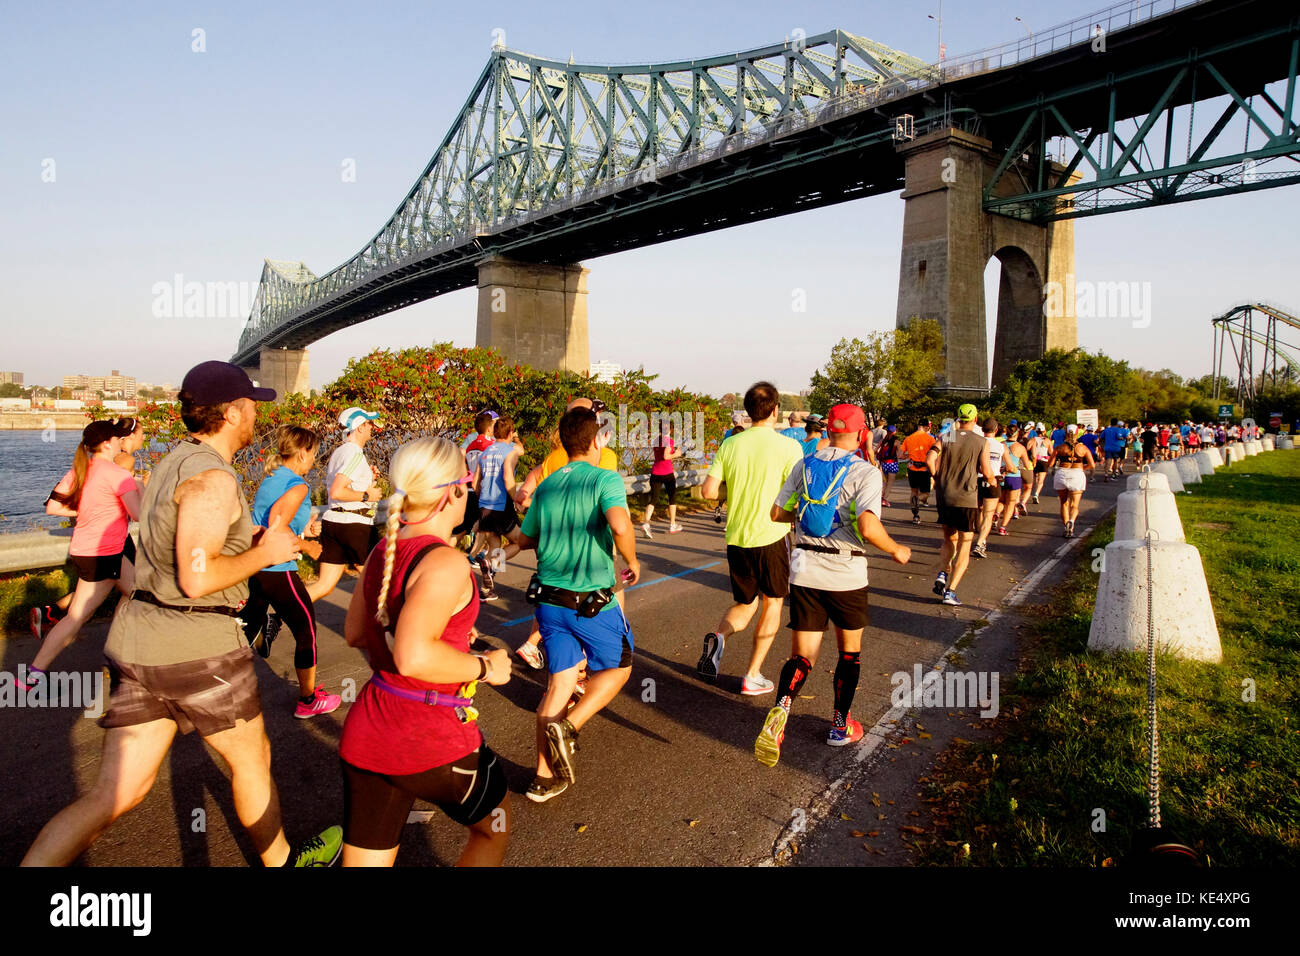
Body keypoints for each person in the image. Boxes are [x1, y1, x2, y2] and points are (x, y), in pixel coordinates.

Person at [22, 361, 341, 867]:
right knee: (252, 761)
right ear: (233, 411)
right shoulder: (211, 476)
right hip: (197, 649)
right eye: (252, 404)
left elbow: (186, 542)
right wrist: (265, 552)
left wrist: (248, 540)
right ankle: (285, 864)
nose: (257, 413)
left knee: (115, 794)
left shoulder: (174, 461)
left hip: (142, 643)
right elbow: (196, 577)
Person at [338, 436, 512, 865]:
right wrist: (486, 667)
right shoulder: (447, 562)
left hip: (369, 731)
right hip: (430, 736)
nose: (470, 490)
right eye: (468, 481)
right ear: (453, 490)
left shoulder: (384, 549)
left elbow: (357, 633)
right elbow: (413, 656)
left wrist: (449, 638)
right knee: (494, 828)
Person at [755, 403, 910, 765]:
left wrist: (807, 517)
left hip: (805, 568)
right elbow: (869, 528)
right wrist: (896, 549)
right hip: (846, 572)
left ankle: (781, 709)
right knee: (848, 653)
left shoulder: (805, 464)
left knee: (801, 656)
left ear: (829, 429)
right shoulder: (864, 471)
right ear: (860, 433)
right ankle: (840, 725)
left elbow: (776, 514)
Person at [512, 406, 640, 803]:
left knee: (559, 684)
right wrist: (632, 560)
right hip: (591, 603)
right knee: (619, 668)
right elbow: (619, 525)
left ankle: (542, 777)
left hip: (549, 601)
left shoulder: (547, 486)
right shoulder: (605, 479)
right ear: (595, 440)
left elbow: (524, 538)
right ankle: (569, 727)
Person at [699, 382, 803, 694]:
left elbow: (707, 491)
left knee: (745, 602)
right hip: (772, 535)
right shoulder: (789, 447)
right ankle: (752, 675)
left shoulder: (731, 444)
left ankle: (718, 638)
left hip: (737, 536)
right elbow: (797, 495)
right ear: (775, 410)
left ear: (748, 411)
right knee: (772, 603)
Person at [24, 420, 142, 685]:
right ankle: (123, 663)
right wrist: (141, 485)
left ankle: (34, 675)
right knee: (78, 617)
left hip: (87, 550)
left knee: (140, 594)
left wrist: (86, 511)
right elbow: (138, 514)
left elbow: (52, 508)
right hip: (106, 554)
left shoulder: (81, 469)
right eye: (116, 438)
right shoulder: (118, 475)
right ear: (107, 443)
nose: (119, 442)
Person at [240, 426, 340, 719]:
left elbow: (274, 519)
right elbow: (275, 526)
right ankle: (308, 701)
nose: (315, 459)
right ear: (302, 452)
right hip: (279, 567)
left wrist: (305, 528)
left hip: (257, 566)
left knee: (246, 631)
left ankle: (213, 684)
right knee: (307, 630)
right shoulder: (298, 485)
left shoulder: (271, 479)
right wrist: (307, 546)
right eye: (314, 453)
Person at [308, 406, 383, 604]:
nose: (371, 428)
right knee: (378, 582)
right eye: (368, 424)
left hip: (333, 522)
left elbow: (341, 483)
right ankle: (385, 627)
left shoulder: (339, 453)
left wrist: (367, 478)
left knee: (324, 585)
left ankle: (281, 613)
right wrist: (368, 495)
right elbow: (337, 491)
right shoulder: (355, 454)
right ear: (359, 427)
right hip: (354, 526)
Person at [926, 404, 997, 606]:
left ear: (958, 418)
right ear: (975, 419)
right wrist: (992, 481)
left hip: (945, 496)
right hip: (967, 498)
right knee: (965, 544)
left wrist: (937, 477)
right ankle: (951, 592)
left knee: (949, 538)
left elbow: (929, 459)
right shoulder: (981, 441)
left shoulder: (946, 437)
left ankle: (942, 571)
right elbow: (987, 470)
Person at [469, 416, 522, 598]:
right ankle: (491, 565)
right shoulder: (510, 451)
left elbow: (476, 482)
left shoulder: (485, 453)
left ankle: (487, 589)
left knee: (495, 546)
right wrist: (516, 499)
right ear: (509, 433)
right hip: (501, 504)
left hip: (485, 505)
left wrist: (482, 499)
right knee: (519, 542)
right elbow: (508, 478)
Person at [1048, 423, 1096, 537]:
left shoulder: (1059, 448)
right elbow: (1092, 465)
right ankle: (1072, 522)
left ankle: (1065, 527)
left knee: (1064, 503)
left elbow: (1050, 463)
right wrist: (1083, 468)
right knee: (1074, 505)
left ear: (1066, 433)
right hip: (1077, 475)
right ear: (1076, 433)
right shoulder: (1083, 448)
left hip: (1062, 474)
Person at [643, 418, 683, 537]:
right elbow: (666, 456)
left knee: (653, 499)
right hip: (667, 473)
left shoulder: (656, 440)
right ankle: (672, 524)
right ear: (670, 429)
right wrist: (677, 454)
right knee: (672, 498)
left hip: (655, 473)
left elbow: (659, 454)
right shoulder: (669, 440)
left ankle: (646, 523)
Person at [971, 419, 1004, 559]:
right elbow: (1010, 465)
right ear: (996, 430)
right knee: (988, 514)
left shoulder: (975, 443)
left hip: (975, 479)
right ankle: (980, 543)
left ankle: (979, 536)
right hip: (992, 479)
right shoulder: (1001, 446)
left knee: (978, 509)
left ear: (982, 430)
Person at [993, 428, 1029, 539]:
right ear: (1017, 434)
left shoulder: (1000, 444)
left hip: (1001, 475)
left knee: (1001, 500)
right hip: (1014, 477)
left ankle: (997, 514)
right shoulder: (1020, 447)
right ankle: (1003, 527)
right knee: (1010, 503)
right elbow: (1027, 465)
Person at [901, 421, 936, 525]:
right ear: (926, 427)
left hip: (912, 468)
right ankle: (919, 500)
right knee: (925, 493)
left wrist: (910, 455)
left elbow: (900, 455)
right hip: (924, 469)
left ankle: (915, 516)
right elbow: (934, 454)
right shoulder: (930, 439)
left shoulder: (908, 438)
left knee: (913, 491)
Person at [877, 424, 900, 507]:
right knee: (890, 483)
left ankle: (882, 497)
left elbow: (876, 450)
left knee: (886, 482)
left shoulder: (883, 441)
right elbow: (900, 454)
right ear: (895, 432)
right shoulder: (896, 441)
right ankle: (884, 499)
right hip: (892, 463)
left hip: (884, 464)